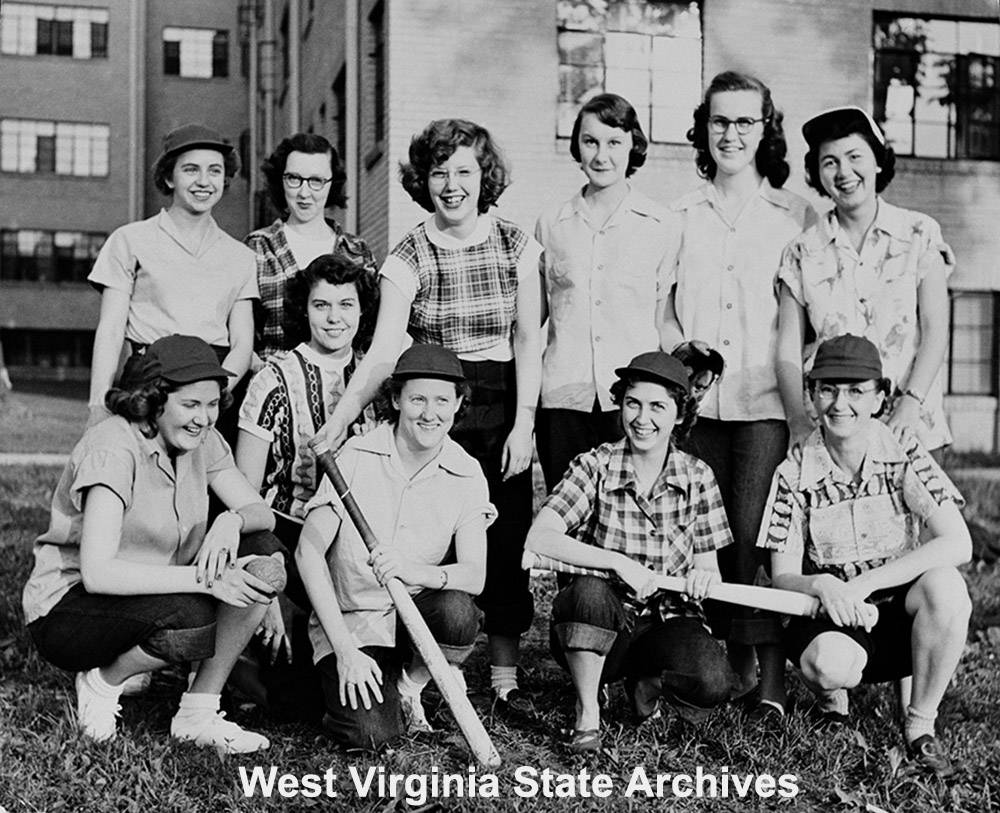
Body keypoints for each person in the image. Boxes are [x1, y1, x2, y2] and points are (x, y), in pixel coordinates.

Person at [311, 119, 543, 712]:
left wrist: (523, 425)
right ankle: (418, 668)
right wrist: (341, 421)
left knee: (504, 535)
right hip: (434, 399)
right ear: (424, 180)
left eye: (464, 171)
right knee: (424, 530)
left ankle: (503, 677)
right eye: (439, 173)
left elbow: (528, 342)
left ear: (483, 177)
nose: (452, 185)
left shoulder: (517, 243)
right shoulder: (410, 251)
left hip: (500, 400)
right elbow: (387, 349)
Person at [22, 335, 283, 752]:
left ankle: (198, 712)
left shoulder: (203, 439)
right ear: (155, 399)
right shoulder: (114, 445)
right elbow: (98, 573)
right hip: (69, 609)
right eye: (191, 405)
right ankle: (102, 683)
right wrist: (207, 581)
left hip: (153, 590)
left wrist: (231, 521)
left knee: (265, 551)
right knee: (192, 614)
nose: (205, 417)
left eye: (212, 404)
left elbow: (260, 513)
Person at [660, 71, 815, 718]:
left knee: (758, 536)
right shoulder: (678, 214)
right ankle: (723, 666)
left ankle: (771, 682)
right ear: (703, 127)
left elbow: (808, 311)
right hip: (699, 408)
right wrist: (679, 354)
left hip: (764, 405)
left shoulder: (794, 213)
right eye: (720, 121)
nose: (731, 133)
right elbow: (662, 306)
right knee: (710, 538)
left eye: (745, 121)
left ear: (765, 129)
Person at [757, 335, 971, 777]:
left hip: (895, 613)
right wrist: (821, 583)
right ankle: (832, 699)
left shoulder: (904, 451)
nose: (840, 404)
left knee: (948, 588)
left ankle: (920, 725)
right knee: (829, 666)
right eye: (828, 389)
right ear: (812, 395)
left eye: (856, 391)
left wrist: (868, 583)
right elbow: (781, 576)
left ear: (880, 397)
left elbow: (958, 543)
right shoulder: (793, 470)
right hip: (831, 613)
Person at [526, 352, 739, 754]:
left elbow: (708, 567)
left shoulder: (698, 476)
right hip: (604, 618)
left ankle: (646, 682)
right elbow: (539, 538)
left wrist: (704, 577)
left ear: (679, 414)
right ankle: (588, 709)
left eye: (658, 406)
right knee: (588, 593)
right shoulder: (595, 465)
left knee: (712, 681)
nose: (643, 418)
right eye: (633, 403)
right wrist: (617, 563)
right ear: (621, 404)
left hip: (667, 616)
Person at [297, 344, 494, 749]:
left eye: (442, 400)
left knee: (458, 613)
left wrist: (411, 570)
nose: (429, 413)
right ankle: (336, 686)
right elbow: (307, 552)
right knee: (371, 736)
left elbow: (474, 575)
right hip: (352, 622)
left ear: (459, 404)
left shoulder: (467, 472)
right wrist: (346, 650)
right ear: (395, 399)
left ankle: (407, 686)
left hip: (413, 617)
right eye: (417, 398)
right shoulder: (355, 455)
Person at [235, 251, 378, 699]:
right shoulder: (273, 379)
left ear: (362, 310)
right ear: (304, 309)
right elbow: (243, 493)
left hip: (357, 544)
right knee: (286, 692)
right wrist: (269, 591)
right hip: (288, 539)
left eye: (346, 305)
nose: (335, 318)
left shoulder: (377, 378)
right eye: (322, 305)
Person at [776, 106, 953, 454]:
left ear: (877, 161)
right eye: (830, 162)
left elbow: (935, 329)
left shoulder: (919, 233)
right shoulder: (801, 250)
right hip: (831, 431)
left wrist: (910, 403)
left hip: (909, 426)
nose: (844, 172)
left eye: (855, 156)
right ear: (817, 173)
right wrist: (797, 419)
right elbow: (787, 347)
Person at [534, 92, 675, 491]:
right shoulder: (551, 224)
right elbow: (532, 323)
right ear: (577, 146)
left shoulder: (661, 225)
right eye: (590, 141)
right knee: (565, 518)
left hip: (632, 404)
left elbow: (662, 318)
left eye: (614, 142)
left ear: (633, 145)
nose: (601, 155)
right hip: (563, 401)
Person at [87, 124, 257, 436]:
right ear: (169, 177)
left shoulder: (241, 256)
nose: (204, 181)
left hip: (215, 384)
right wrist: (97, 404)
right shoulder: (130, 240)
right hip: (149, 379)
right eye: (191, 169)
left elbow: (243, 345)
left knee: (210, 479)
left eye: (215, 171)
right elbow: (111, 330)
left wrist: (211, 398)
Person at [246, 133, 377, 364]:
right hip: (276, 387)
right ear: (280, 180)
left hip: (346, 388)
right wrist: (260, 366)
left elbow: (371, 335)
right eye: (294, 178)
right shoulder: (257, 248)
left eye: (316, 180)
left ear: (331, 184)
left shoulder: (357, 251)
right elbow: (238, 336)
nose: (304, 193)